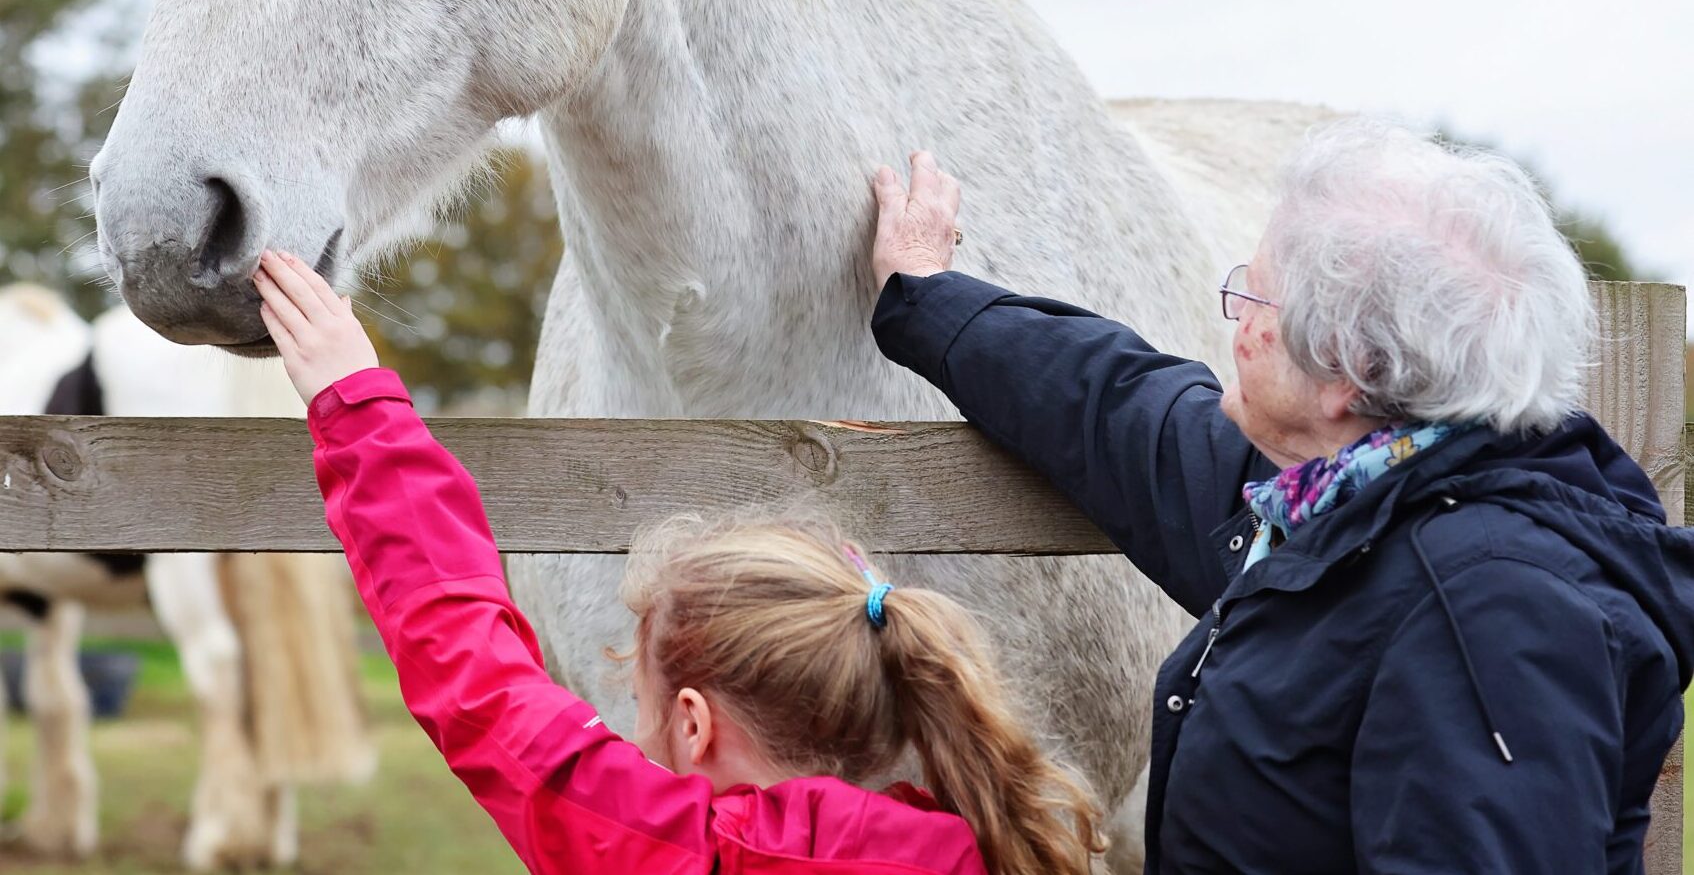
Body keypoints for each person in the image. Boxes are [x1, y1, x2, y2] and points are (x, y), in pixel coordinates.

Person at [868, 118, 1694, 875]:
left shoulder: (1493, 616)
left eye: (1257, 296)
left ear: (1349, 372)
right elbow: (1114, 405)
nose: (1237, 320)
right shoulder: (1341, 499)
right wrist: (927, 294)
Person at [251, 249, 1104, 875]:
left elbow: (475, 675)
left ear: (693, 724)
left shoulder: (680, 852)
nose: (633, 730)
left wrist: (357, 404)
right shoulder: (983, 849)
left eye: (640, 702)